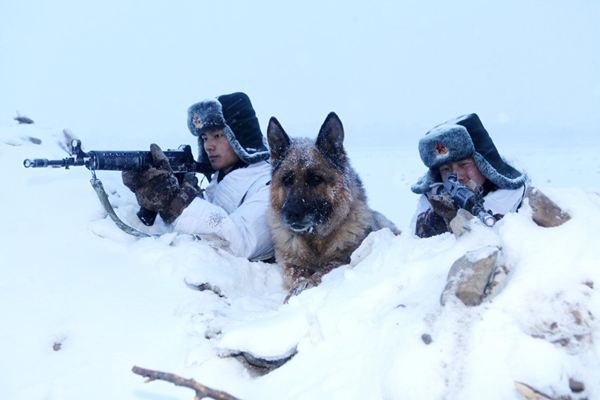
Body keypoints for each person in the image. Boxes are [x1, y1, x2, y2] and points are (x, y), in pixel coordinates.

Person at [122, 92, 274, 261]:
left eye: (217, 135)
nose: (208, 146)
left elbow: (241, 243)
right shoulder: (219, 183)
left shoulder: (270, 186)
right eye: (204, 138)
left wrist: (176, 201)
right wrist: (177, 190)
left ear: (241, 135)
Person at [410, 113, 528, 238]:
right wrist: (438, 218)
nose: (457, 177)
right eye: (446, 169)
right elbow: (413, 245)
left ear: (484, 164)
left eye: (464, 164)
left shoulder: (518, 199)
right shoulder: (432, 196)